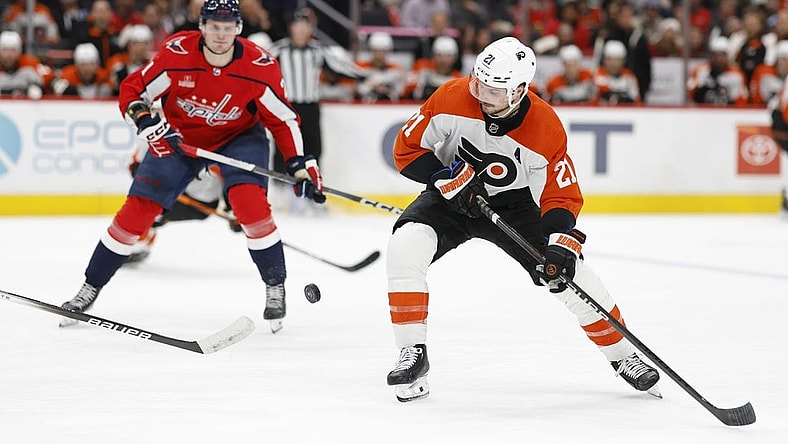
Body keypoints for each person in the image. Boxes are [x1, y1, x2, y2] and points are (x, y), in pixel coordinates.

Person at [384, 36, 660, 402]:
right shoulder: (451, 96)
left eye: (494, 90)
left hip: (515, 207)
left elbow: (560, 194)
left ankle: (624, 356)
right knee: (404, 248)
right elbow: (405, 149)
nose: (481, 94)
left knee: (569, 276)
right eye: (478, 83)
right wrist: (442, 176)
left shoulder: (545, 127)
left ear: (518, 91)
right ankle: (412, 354)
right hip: (452, 195)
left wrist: (560, 241)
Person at [57, 0, 326, 334]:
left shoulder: (259, 65)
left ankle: (275, 286)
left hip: (239, 139)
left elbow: (283, 120)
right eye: (214, 27)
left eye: (228, 28)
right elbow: (133, 88)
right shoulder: (177, 53)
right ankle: (90, 287)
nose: (220, 35)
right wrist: (144, 120)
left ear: (238, 29)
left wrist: (299, 164)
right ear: (202, 26)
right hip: (179, 139)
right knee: (137, 211)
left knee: (251, 208)